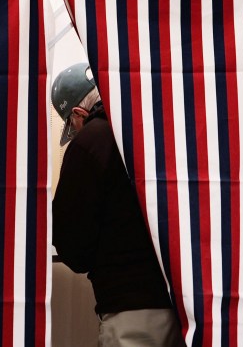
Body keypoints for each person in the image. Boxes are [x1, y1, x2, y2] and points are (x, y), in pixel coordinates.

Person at [51, 63, 185, 347]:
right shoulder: (158, 127)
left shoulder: (91, 141)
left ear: (77, 114)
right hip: (187, 304)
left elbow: (74, 247)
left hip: (130, 305)